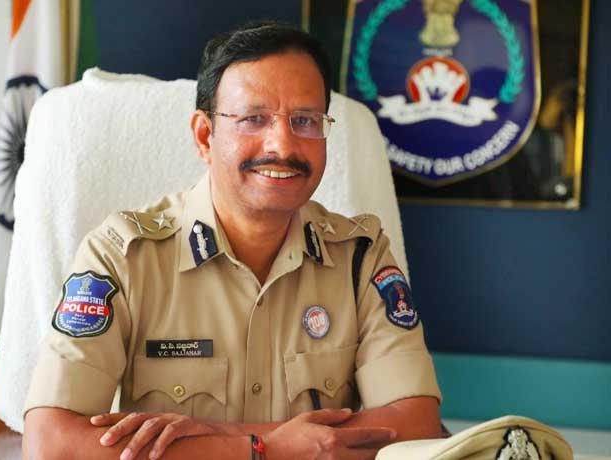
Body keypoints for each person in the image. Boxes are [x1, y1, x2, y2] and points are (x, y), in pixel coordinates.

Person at [22, 21, 443, 460]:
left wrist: (212, 438)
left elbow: (417, 426)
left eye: (305, 120)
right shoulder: (121, 255)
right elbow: (50, 446)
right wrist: (266, 447)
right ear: (205, 136)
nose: (282, 145)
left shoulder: (361, 256)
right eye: (253, 119)